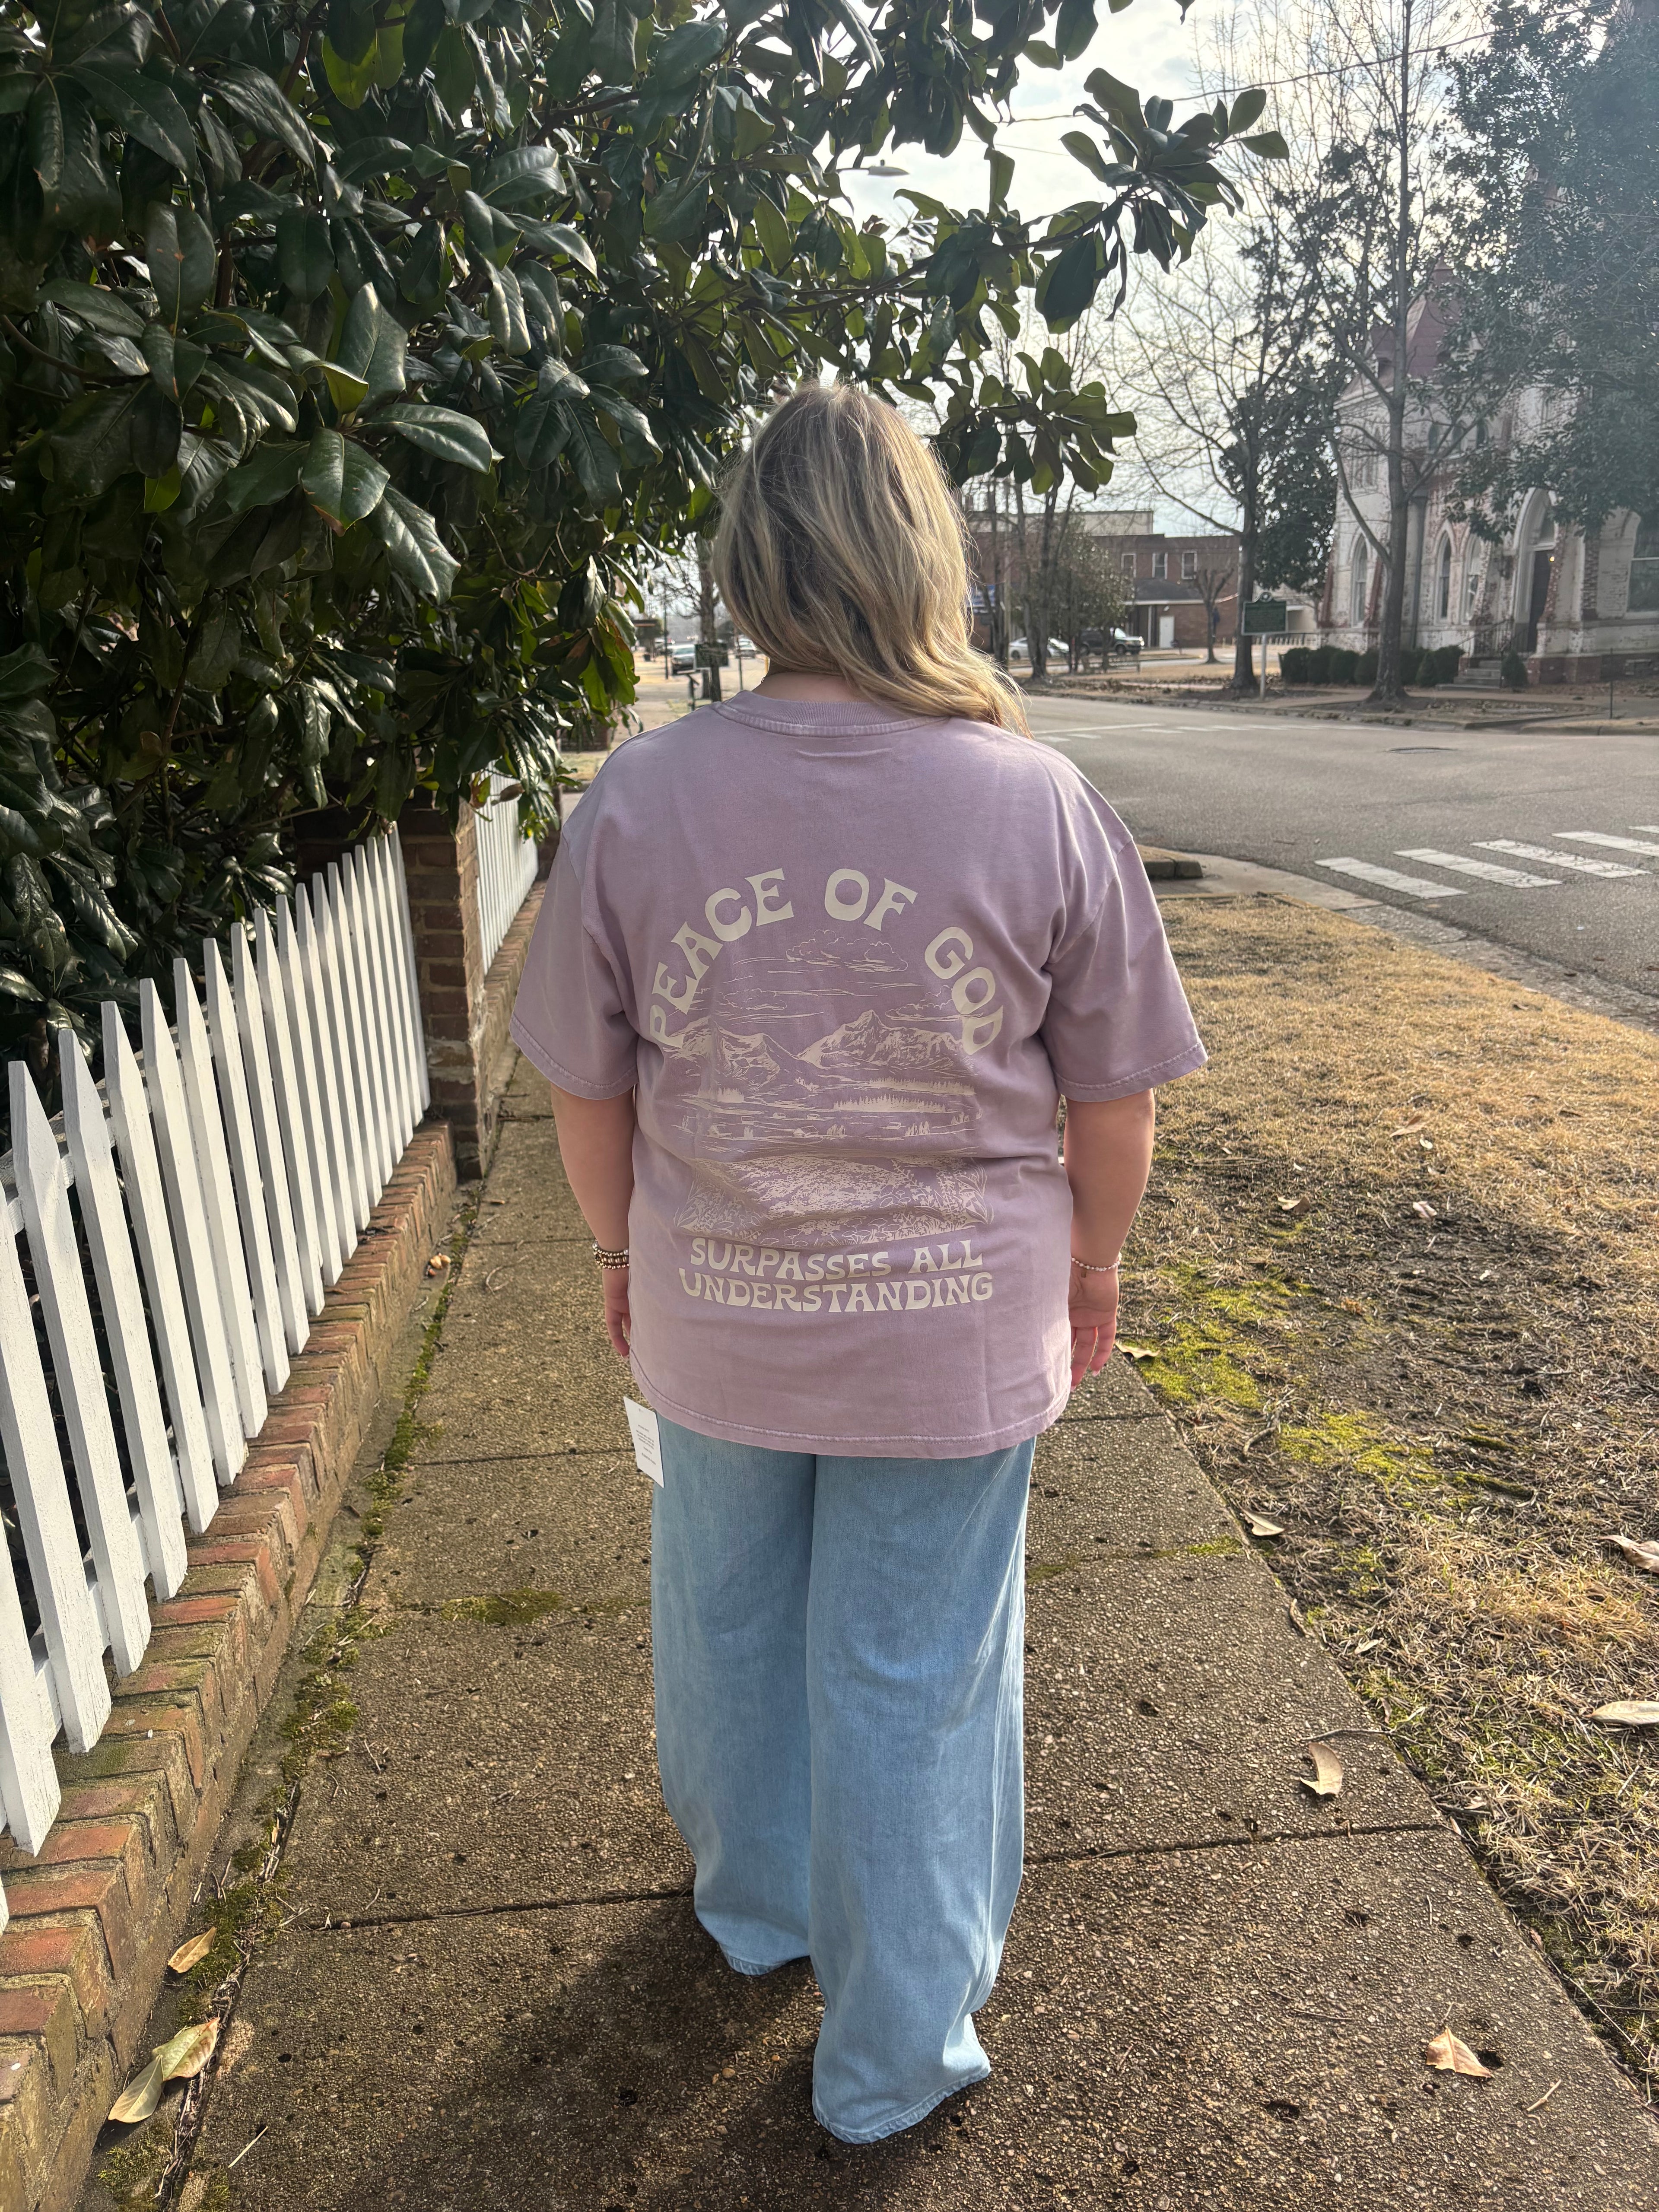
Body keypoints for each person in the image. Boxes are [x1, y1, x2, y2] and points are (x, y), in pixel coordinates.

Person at [509, 382, 1206, 2145]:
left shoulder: (641, 797)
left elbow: (589, 1085)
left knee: (727, 1616)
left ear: (749, 565)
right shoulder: (1038, 799)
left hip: (719, 1309)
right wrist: (1095, 1268)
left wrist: (619, 1250)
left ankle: (759, 1912)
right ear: (923, 554)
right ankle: (893, 2052)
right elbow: (1114, 1098)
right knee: (915, 1673)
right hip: (952, 1333)